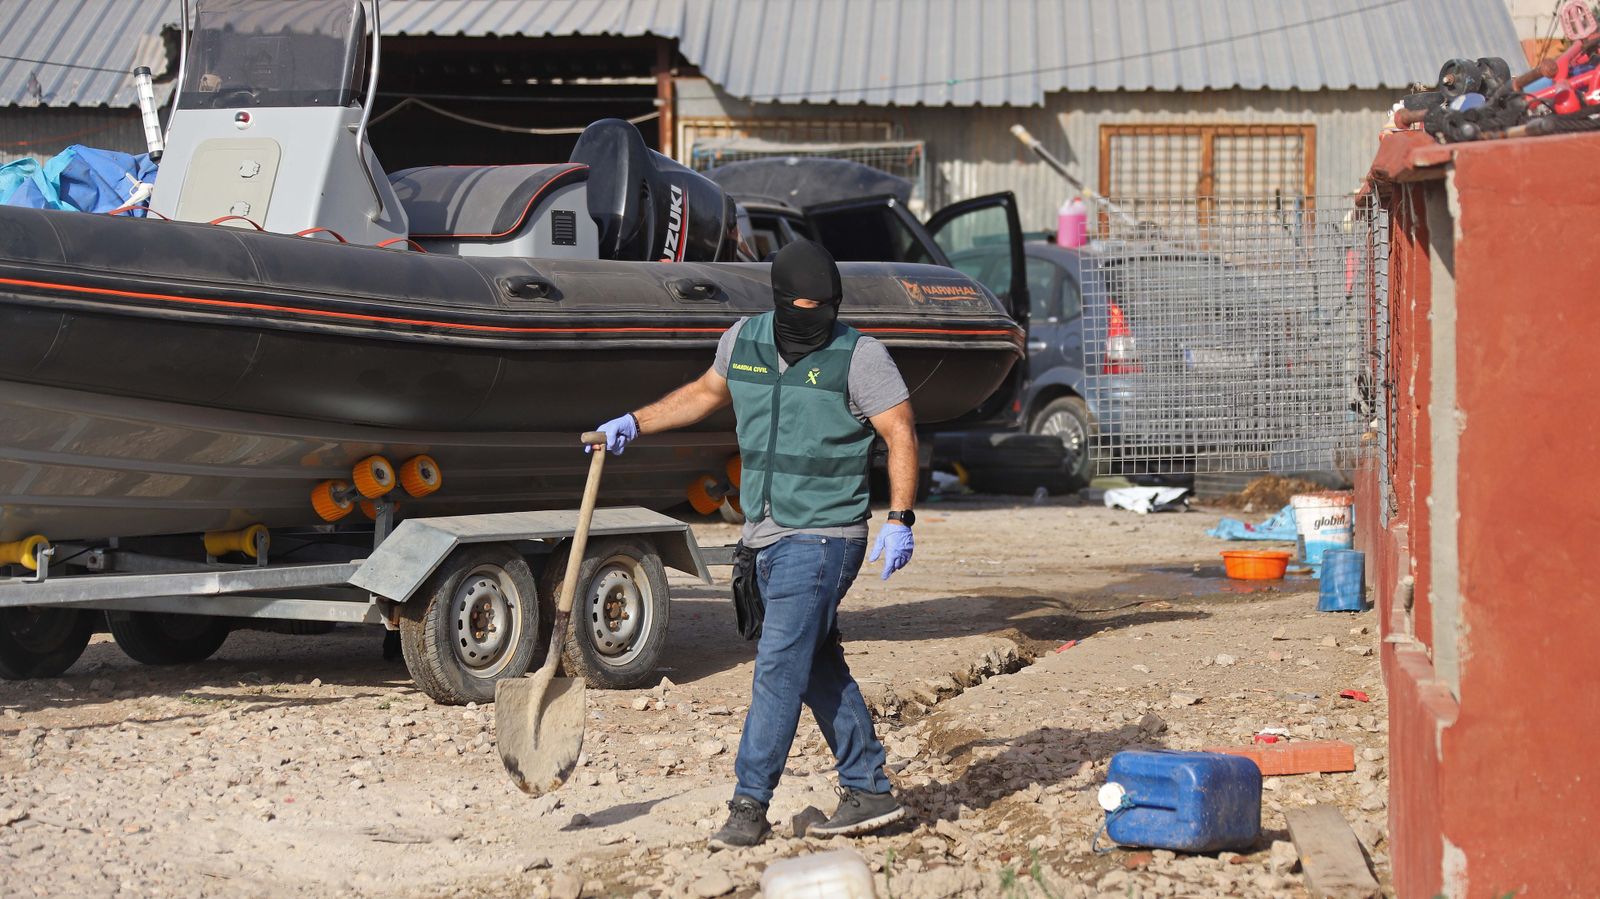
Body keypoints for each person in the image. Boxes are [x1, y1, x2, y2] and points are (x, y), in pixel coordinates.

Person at [588, 239, 919, 847]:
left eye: (825, 307)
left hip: (825, 535)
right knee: (813, 662)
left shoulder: (860, 355)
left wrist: (900, 517)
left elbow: (899, 431)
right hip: (762, 534)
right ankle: (870, 787)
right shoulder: (743, 340)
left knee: (778, 664)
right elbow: (704, 393)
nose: (814, 317)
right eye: (802, 307)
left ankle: (749, 805)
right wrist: (635, 421)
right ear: (779, 300)